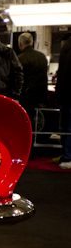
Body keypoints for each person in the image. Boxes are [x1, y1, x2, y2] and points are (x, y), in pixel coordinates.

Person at [17, 33, 48, 124]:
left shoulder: (20, 58)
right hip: (41, 94)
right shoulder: (42, 57)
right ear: (32, 42)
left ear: (20, 43)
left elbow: (19, 79)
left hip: (27, 96)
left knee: (26, 120)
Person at [56, 34, 71, 169]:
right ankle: (67, 156)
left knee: (65, 127)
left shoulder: (65, 50)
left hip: (63, 95)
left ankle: (65, 155)